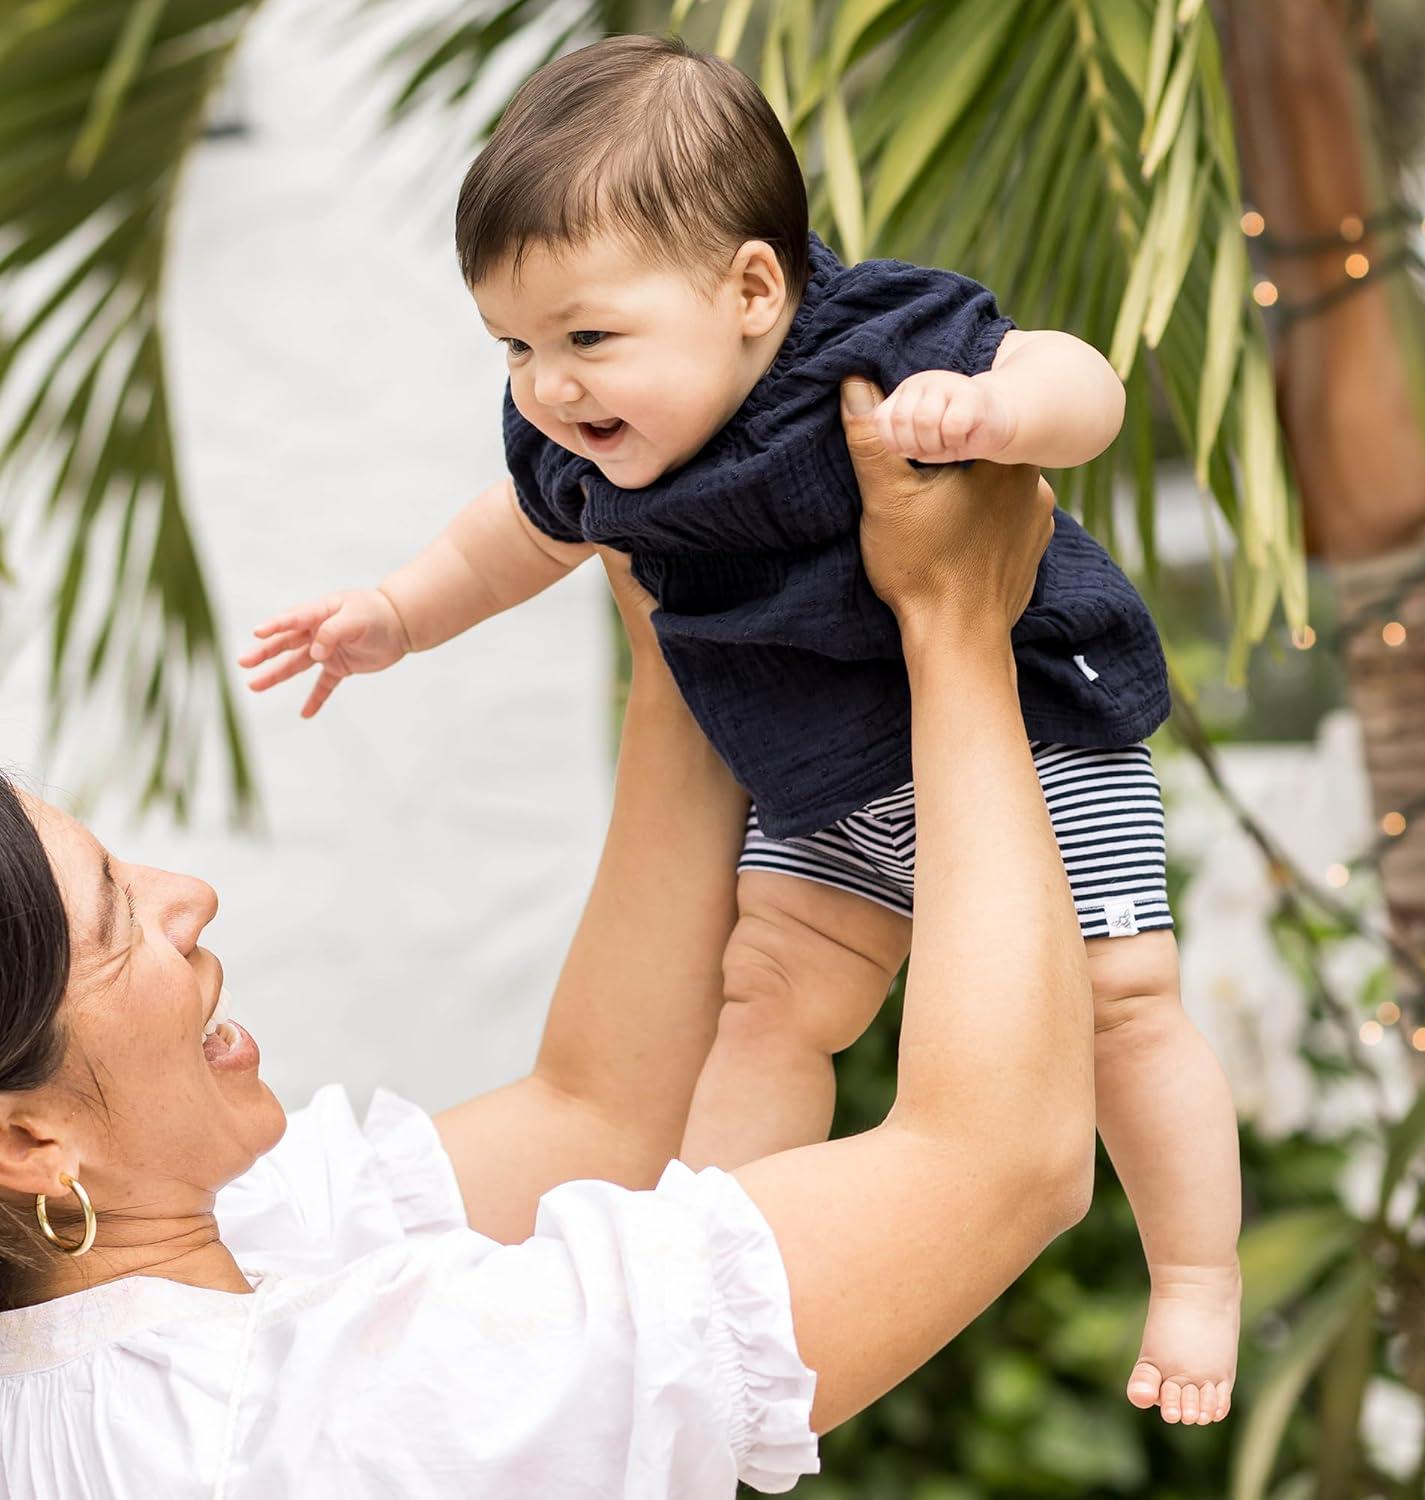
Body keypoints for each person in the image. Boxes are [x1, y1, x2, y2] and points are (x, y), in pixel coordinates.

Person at [240, 33, 1239, 1421]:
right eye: (516, 346)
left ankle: (1195, 1275)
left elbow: (1089, 386)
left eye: (587, 337)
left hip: (1033, 736)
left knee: (1123, 1008)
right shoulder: (582, 443)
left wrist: (997, 408)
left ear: (753, 288)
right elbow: (511, 539)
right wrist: (399, 615)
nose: (546, 386)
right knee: (765, 1003)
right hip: (825, 784)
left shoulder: (877, 344)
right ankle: (708, 1257)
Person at [1, 401, 1097, 1495]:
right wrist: (957, 621)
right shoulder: (317, 1423)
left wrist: (678, 631)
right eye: (116, 920)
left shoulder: (170, 1268)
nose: (189, 897)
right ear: (29, 1143)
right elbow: (999, 1160)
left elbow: (602, 1113)